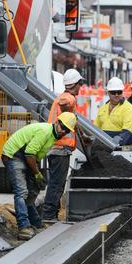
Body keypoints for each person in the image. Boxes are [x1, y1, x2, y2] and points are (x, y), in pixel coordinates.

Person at [1, 112, 78, 240]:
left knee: (33, 190)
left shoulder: (53, 135)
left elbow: (33, 155)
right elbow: (29, 153)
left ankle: (35, 222)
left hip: (25, 156)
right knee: (21, 191)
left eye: (66, 131)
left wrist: (36, 176)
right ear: (57, 122)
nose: (63, 132)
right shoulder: (45, 132)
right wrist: (37, 173)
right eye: (62, 127)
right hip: (13, 154)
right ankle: (23, 227)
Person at [43, 69, 84, 221]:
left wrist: (83, 137)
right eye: (80, 84)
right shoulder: (67, 98)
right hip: (60, 148)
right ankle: (48, 215)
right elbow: (64, 102)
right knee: (56, 183)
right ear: (74, 85)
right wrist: (67, 106)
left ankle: (51, 214)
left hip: (57, 148)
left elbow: (72, 122)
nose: (81, 87)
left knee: (56, 183)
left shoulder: (65, 98)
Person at [94, 77, 132, 145]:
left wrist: (116, 142)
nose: (116, 95)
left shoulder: (128, 108)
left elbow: (127, 131)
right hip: (105, 146)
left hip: (124, 148)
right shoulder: (103, 108)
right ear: (108, 93)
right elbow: (96, 128)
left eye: (119, 92)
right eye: (113, 92)